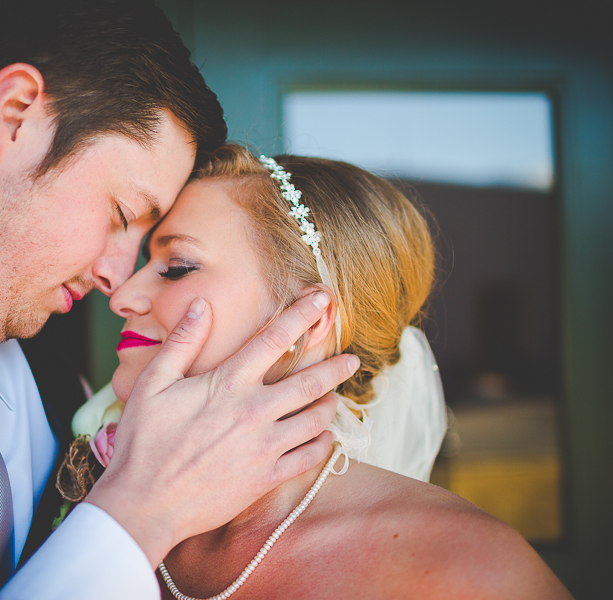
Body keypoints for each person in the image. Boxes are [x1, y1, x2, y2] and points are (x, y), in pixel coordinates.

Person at [0, 3, 357, 599]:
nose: (117, 280)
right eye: (122, 214)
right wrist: (139, 514)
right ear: (15, 115)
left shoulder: (68, 384)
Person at [68, 144, 573, 599]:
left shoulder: (463, 568)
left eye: (177, 266)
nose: (123, 295)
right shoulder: (85, 495)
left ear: (310, 322)